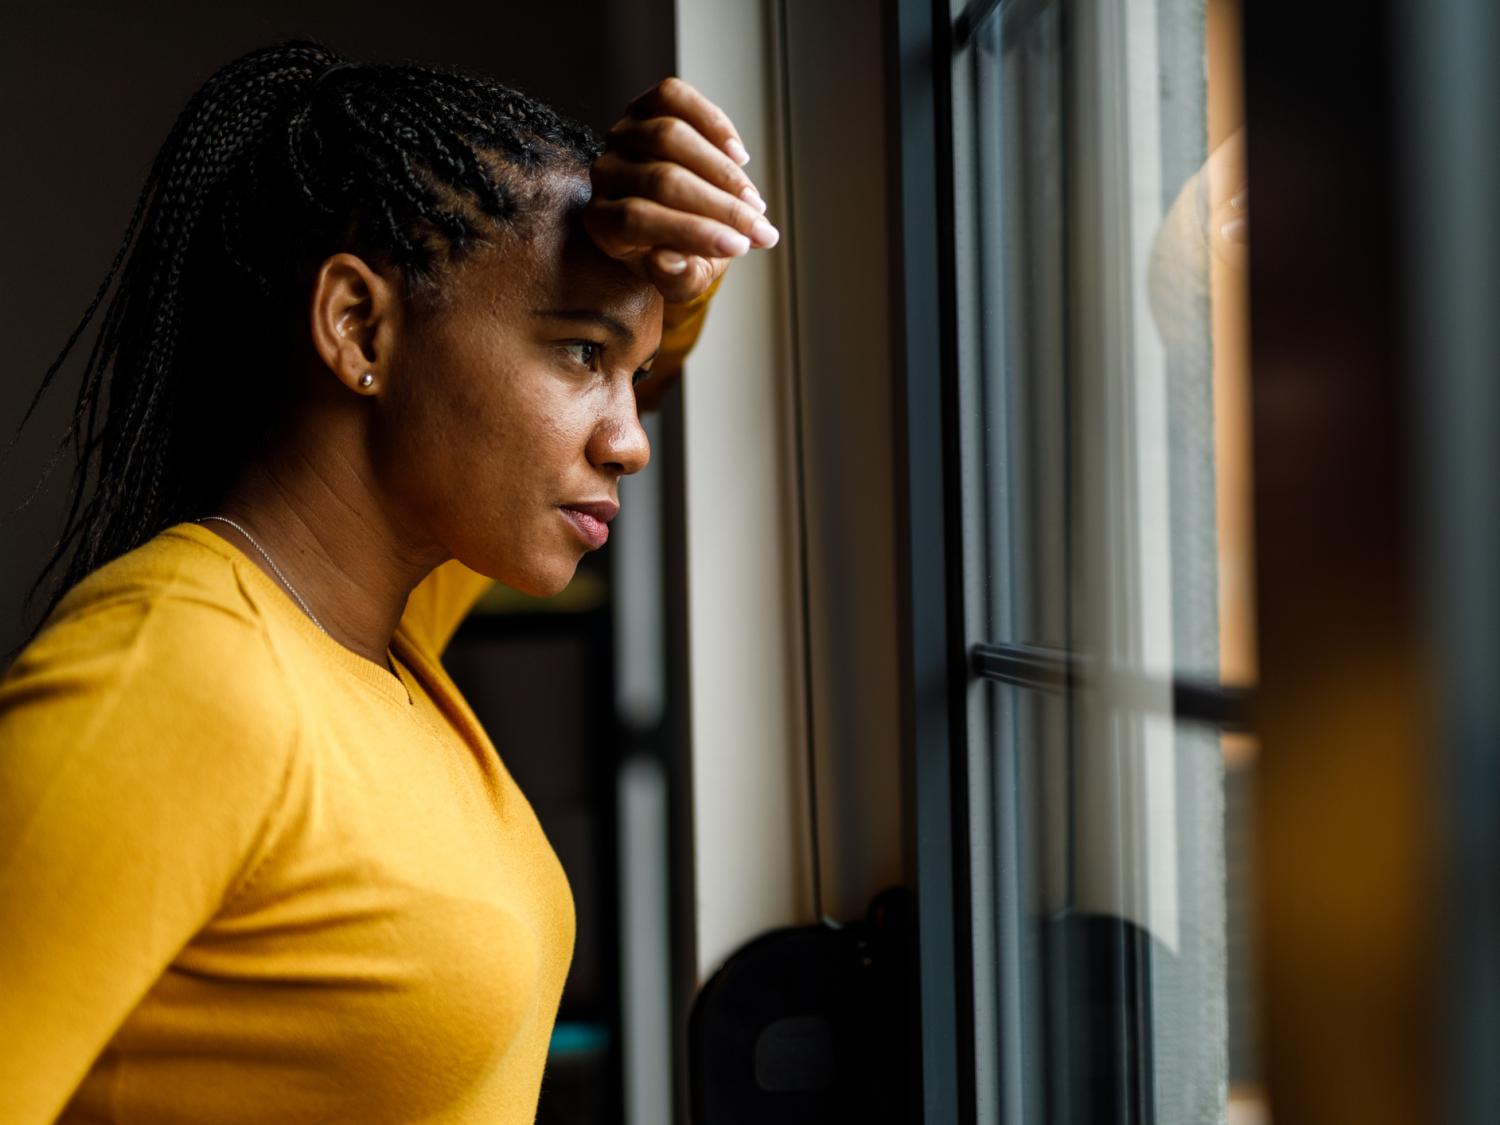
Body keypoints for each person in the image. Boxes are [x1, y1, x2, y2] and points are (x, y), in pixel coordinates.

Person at [0, 40, 777, 1124]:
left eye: (632, 376)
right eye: (578, 356)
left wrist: (681, 253)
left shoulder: (373, 623)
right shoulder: (175, 677)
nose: (629, 441)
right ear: (360, 327)